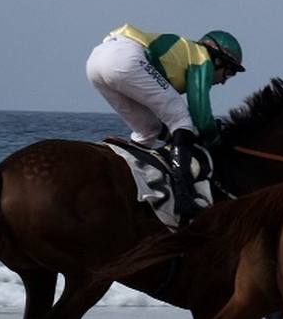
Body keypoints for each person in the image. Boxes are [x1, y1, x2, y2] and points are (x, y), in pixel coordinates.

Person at [85, 23, 244, 223]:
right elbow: (200, 114)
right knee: (181, 119)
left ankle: (134, 188)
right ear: (218, 60)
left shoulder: (183, 56)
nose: (224, 81)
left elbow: (162, 120)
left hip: (95, 62)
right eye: (229, 73)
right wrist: (215, 139)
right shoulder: (202, 58)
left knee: (147, 130)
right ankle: (184, 197)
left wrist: (176, 135)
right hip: (125, 58)